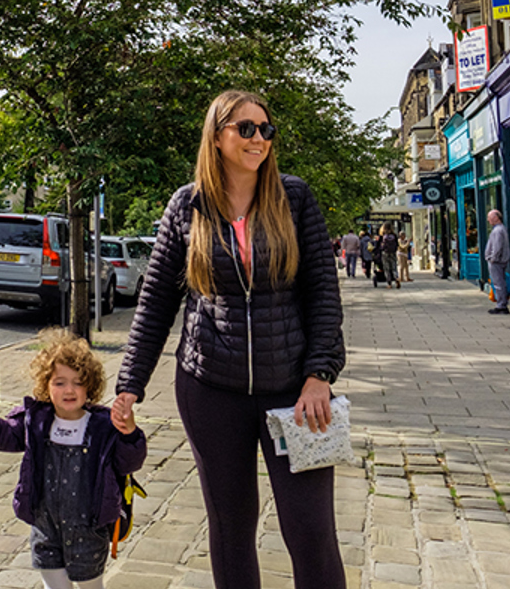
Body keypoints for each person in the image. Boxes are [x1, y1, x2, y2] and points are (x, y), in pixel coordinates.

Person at [112, 89, 346, 589]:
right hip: (209, 388)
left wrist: (318, 375)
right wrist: (129, 383)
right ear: (217, 136)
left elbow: (323, 293)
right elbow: (155, 303)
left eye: (265, 129)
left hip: (293, 393)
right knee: (231, 527)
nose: (258, 138)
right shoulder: (187, 205)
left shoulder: (295, 198)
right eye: (246, 128)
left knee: (310, 531)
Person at [0, 329, 148, 589]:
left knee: (91, 586)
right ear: (45, 385)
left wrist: (130, 433)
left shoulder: (103, 426)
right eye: (59, 382)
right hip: (46, 529)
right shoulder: (36, 419)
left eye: (78, 382)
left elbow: (129, 462)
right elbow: (5, 436)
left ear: (90, 385)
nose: (69, 390)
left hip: (88, 530)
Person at [485, 209, 510, 315]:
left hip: (497, 262)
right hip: (499, 260)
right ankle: (501, 304)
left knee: (498, 283)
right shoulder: (499, 229)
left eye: (490, 217)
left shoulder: (498, 230)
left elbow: (497, 246)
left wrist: (493, 258)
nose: (488, 220)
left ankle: (501, 305)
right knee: (499, 282)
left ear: (496, 218)